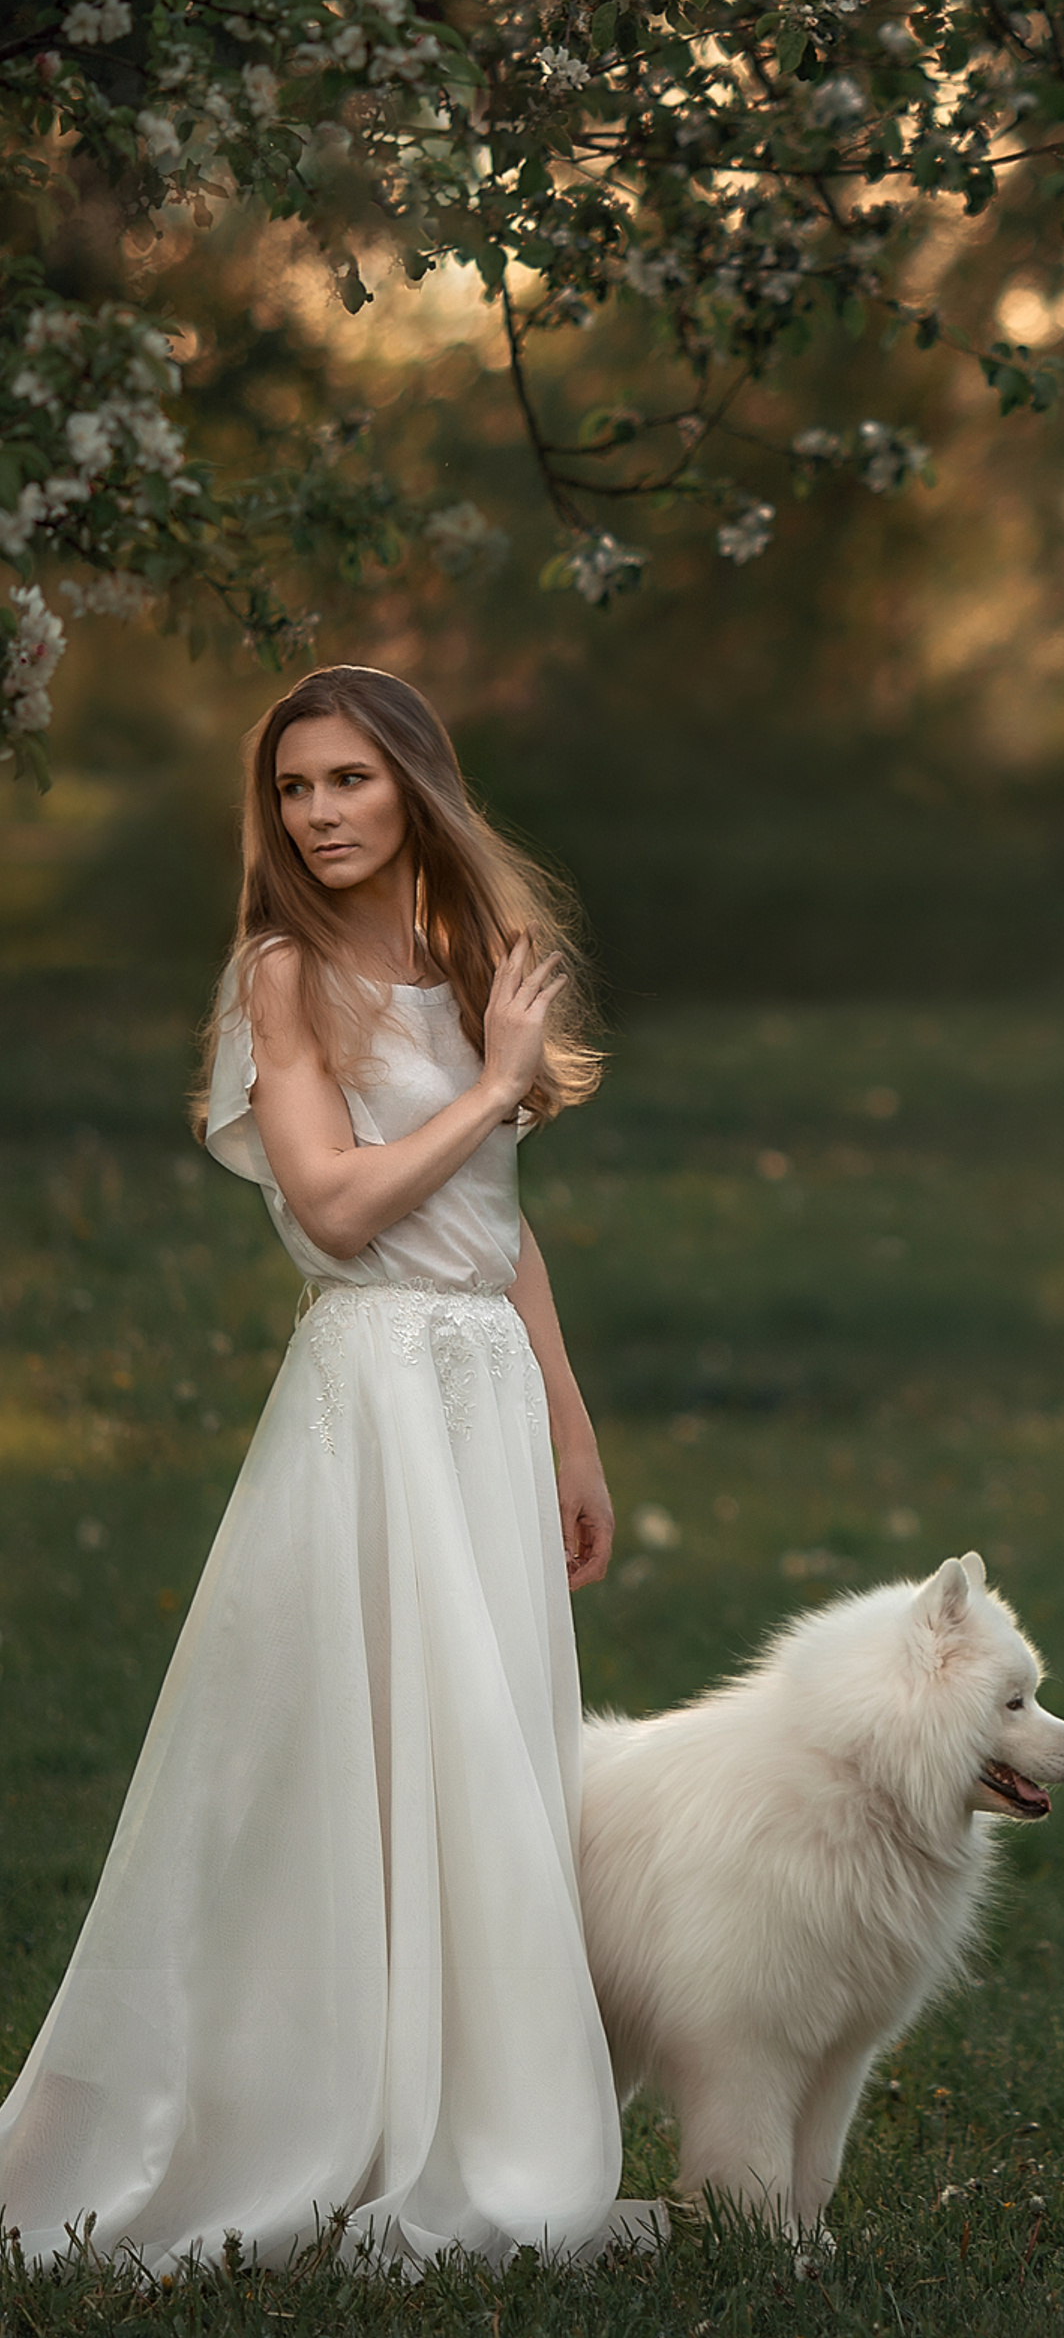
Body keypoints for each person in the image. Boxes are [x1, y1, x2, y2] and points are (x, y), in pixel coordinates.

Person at [0, 664, 648, 2270]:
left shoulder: (475, 959)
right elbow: (344, 1207)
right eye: (294, 789)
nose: (320, 814)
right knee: (333, 1748)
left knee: (483, 1746)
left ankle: (476, 2104)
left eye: (349, 780)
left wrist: (570, 1424)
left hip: (486, 1393)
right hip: (368, 1393)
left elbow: (495, 1223)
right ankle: (298, 2107)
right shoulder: (281, 974)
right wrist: (494, 1082)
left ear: (414, 785)